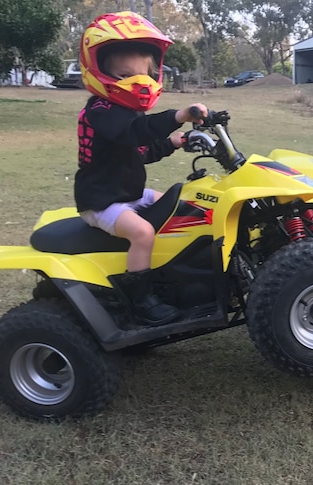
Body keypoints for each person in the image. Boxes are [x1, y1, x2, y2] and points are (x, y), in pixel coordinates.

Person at [76, 11, 208, 326]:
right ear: (99, 71)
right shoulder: (101, 111)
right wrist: (178, 116)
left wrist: (176, 142)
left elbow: (141, 150)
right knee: (143, 232)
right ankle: (141, 300)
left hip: (131, 192)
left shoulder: (127, 113)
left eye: (142, 76)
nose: (135, 83)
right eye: (124, 76)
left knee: (183, 206)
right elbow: (136, 133)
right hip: (102, 201)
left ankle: (176, 274)